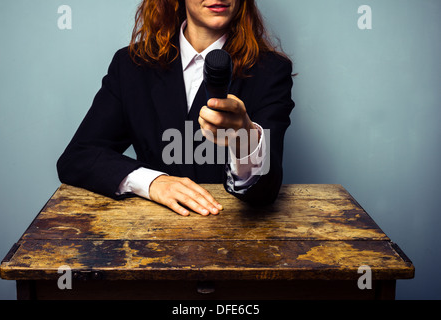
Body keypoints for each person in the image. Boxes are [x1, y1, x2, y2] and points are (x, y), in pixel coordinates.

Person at [57, 0, 295, 216]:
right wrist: (153, 182)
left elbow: (265, 193)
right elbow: (78, 157)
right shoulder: (131, 66)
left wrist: (246, 139)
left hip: (234, 240)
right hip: (152, 237)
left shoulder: (271, 71)